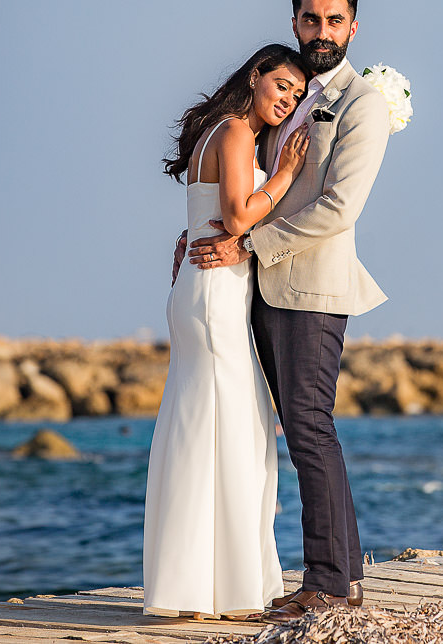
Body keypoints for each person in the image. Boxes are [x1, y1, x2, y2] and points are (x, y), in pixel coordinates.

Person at [186, 0, 391, 620]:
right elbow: (248, 185)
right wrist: (208, 232)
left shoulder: (364, 104)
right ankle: (345, 578)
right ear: (295, 21)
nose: (322, 32)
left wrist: (248, 246)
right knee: (305, 431)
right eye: (311, 20)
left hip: (311, 287)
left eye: (334, 22)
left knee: (308, 430)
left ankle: (326, 585)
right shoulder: (288, 93)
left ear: (353, 27)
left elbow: (339, 207)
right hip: (260, 288)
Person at [144, 43, 310, 619]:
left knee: (197, 432)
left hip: (197, 292)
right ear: (256, 75)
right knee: (236, 436)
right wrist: (285, 173)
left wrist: (185, 247)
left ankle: (191, 588)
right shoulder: (237, 131)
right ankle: (229, 589)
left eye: (295, 94)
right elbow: (238, 216)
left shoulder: (212, 132)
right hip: (215, 299)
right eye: (281, 85)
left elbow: (204, 214)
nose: (287, 101)